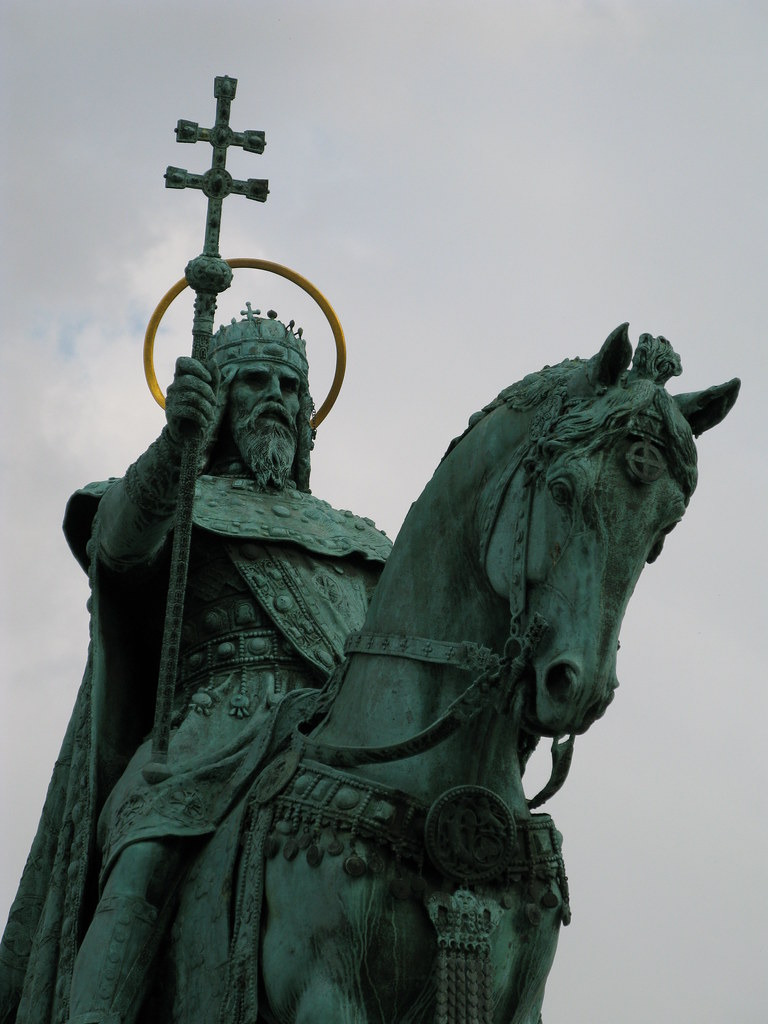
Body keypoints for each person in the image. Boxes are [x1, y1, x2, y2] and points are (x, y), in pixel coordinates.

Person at [0, 308, 391, 1024]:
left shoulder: (361, 539)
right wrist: (175, 445)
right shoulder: (180, 499)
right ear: (219, 403)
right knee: (142, 867)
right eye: (250, 381)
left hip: (339, 739)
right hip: (209, 732)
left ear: (309, 415)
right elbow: (119, 546)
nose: (274, 394)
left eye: (288, 385)